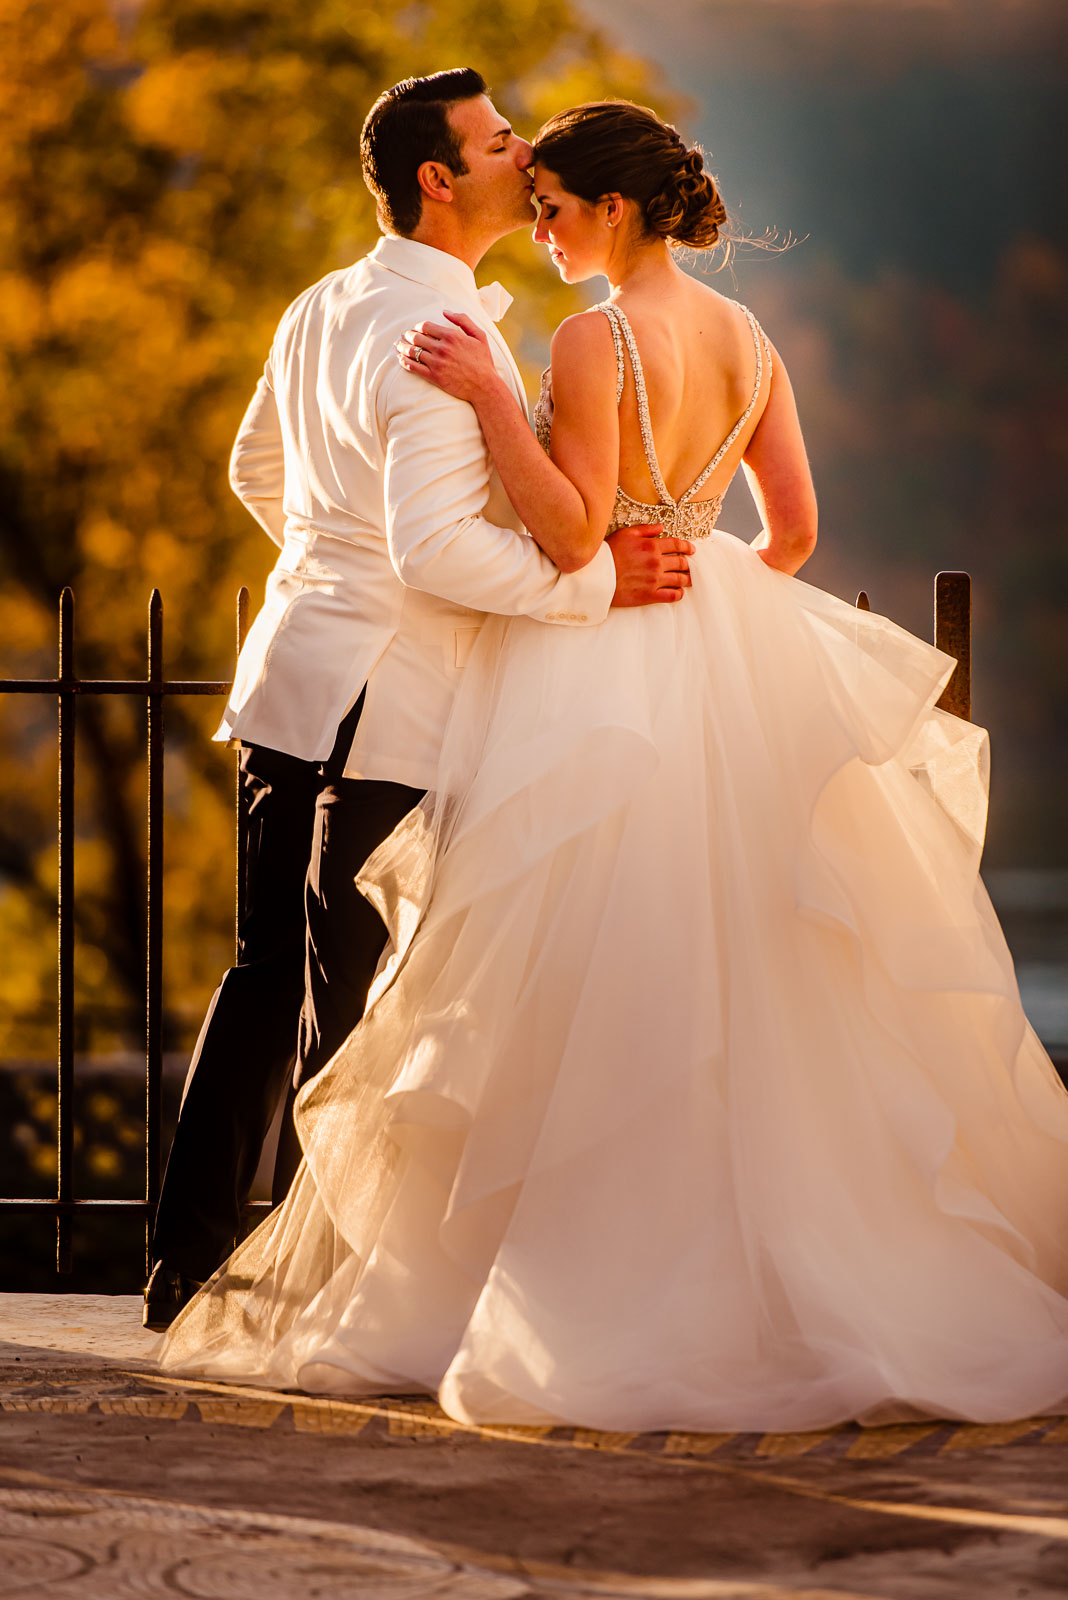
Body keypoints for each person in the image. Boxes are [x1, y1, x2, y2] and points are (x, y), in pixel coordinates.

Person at [157, 101, 1068, 1433]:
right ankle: (755, 1259)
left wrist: (485, 408)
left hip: (583, 662)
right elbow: (797, 536)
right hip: (709, 635)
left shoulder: (566, 336)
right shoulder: (752, 340)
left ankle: (542, 1268)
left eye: (558, 206)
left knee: (544, 978)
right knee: (740, 972)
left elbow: (578, 536)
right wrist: (710, 608)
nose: (540, 216)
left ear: (619, 212)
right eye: (519, 187)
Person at [142, 74, 693, 1331]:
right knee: (356, 994)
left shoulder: (320, 304)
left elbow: (255, 469)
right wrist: (593, 589)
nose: (519, 155)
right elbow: (438, 554)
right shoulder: (453, 338)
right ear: (441, 178)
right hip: (382, 708)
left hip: (291, 673)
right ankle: (325, 1287)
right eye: (500, 143)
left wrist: (329, 573)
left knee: (261, 967)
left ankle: (189, 1265)